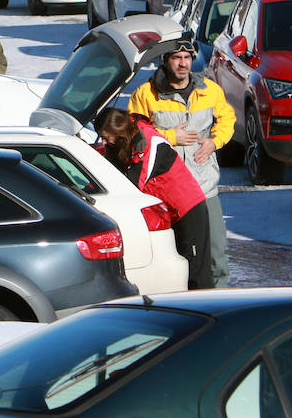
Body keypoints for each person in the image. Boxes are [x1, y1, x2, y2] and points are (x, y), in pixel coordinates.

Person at [127, 38, 234, 288]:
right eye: (176, 58)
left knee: (216, 257)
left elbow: (227, 119)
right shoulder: (146, 94)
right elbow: (133, 134)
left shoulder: (209, 90)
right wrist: (170, 137)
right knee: (175, 256)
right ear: (165, 61)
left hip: (204, 187)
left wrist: (214, 142)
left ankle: (220, 303)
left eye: (187, 58)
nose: (183, 63)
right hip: (166, 193)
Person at [96, 108, 211, 290]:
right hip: (169, 212)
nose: (104, 142)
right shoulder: (125, 138)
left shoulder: (149, 142)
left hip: (188, 208)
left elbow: (134, 184)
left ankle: (207, 304)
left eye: (106, 137)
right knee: (181, 269)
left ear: (118, 130)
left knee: (196, 270)